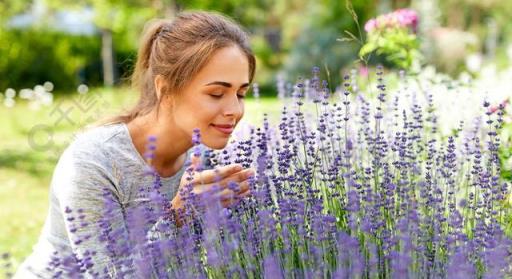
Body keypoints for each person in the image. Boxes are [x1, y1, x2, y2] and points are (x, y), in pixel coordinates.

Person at [14, 11, 256, 278]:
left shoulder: (205, 162)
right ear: (165, 89)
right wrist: (177, 216)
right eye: (216, 93)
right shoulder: (93, 162)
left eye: (241, 93)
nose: (234, 109)